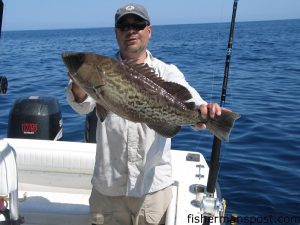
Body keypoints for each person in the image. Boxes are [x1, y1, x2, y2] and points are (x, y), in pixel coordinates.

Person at [66, 3, 222, 225]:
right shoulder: (99, 70)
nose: (131, 30)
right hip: (108, 188)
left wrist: (205, 113)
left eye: (138, 24)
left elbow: (193, 104)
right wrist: (78, 82)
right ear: (116, 32)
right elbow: (81, 106)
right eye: (124, 25)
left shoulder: (167, 72)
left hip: (152, 190)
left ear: (149, 31)